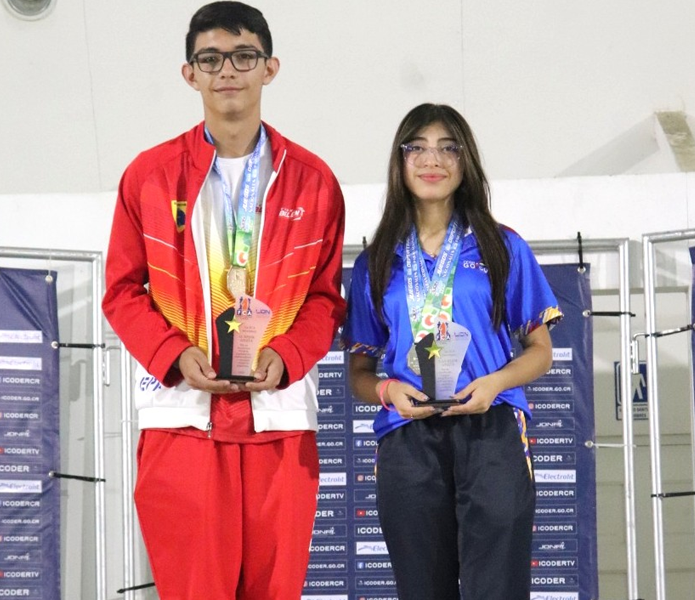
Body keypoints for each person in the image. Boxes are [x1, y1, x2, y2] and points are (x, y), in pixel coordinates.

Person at [101, 2, 345, 598]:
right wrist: (174, 354)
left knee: (276, 589)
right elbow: (122, 291)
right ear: (190, 74)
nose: (227, 70)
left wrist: (287, 353)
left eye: (243, 56)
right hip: (182, 415)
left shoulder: (313, 179)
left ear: (270, 67)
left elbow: (325, 299)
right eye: (210, 59)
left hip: (278, 420)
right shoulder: (150, 176)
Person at [342, 103, 562, 600]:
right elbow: (357, 370)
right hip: (408, 436)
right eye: (416, 148)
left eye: (447, 147)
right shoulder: (378, 259)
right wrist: (387, 389)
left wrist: (496, 383)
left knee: (498, 587)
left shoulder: (501, 246)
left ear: (466, 163)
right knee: (422, 589)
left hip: (491, 428)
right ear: (400, 163)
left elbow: (540, 350)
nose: (431, 160)